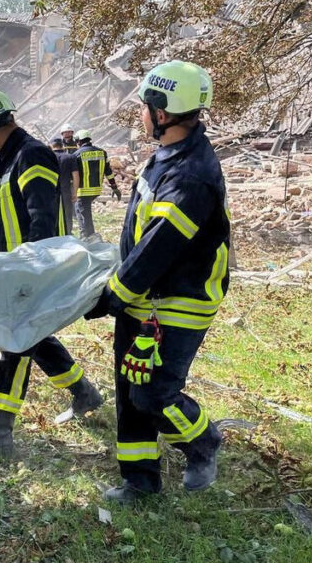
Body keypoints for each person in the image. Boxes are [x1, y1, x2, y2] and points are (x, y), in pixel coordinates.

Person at [84, 60, 226, 503]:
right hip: (145, 300)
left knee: (154, 395)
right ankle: (139, 483)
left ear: (162, 112)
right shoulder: (169, 154)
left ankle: (203, 442)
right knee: (130, 390)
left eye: (146, 106)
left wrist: (110, 297)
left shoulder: (190, 176)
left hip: (178, 303)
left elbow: (158, 249)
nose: (141, 114)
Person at [0, 90, 103, 459]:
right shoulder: (7, 160)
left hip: (31, 267)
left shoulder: (31, 154)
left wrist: (32, 269)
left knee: (15, 340)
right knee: (34, 336)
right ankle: (84, 392)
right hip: (18, 266)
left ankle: (0, 429)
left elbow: (42, 214)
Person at [71, 129, 119, 237]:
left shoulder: (76, 154)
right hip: (97, 189)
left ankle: (86, 236)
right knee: (85, 212)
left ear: (79, 141)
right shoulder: (102, 152)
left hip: (83, 190)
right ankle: (90, 234)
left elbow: (75, 174)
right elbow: (108, 172)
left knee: (81, 212)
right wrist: (114, 186)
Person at [50, 137, 76, 236]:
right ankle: (67, 234)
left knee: (53, 213)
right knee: (67, 214)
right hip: (66, 190)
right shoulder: (70, 157)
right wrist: (75, 191)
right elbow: (75, 176)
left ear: (52, 146)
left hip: (51, 190)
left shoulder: (47, 157)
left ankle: (54, 235)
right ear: (62, 145)